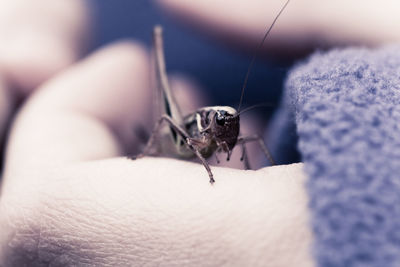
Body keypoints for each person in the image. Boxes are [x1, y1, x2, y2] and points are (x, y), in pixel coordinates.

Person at [0, 0, 399, 265]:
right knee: (158, 88)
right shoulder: (198, 127)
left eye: (230, 126)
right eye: (223, 126)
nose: (229, 131)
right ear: (213, 123)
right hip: (168, 138)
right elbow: (167, 123)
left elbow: (253, 142)